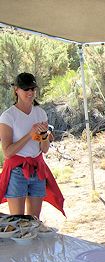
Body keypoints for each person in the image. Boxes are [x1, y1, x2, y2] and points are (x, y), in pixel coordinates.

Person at [0, 73, 64, 218]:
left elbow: (45, 149)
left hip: (37, 168)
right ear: (16, 90)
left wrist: (43, 135)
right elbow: (8, 152)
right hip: (17, 171)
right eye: (26, 89)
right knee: (18, 220)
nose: (30, 93)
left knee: (34, 220)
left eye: (33, 89)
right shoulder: (8, 116)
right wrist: (29, 134)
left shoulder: (40, 113)